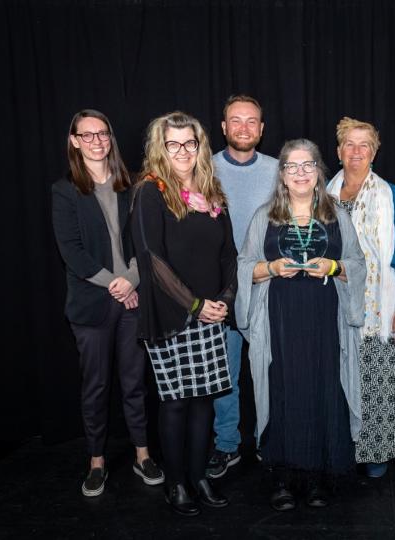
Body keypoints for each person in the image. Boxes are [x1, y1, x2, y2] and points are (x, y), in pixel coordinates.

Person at [235, 139, 366, 511]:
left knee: (326, 388)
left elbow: (357, 264)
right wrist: (271, 268)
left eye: (307, 165)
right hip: (281, 319)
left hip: (326, 320)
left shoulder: (338, 215)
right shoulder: (265, 216)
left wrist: (336, 267)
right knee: (283, 390)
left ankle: (321, 478)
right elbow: (246, 265)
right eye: (292, 166)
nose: (301, 173)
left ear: (319, 171)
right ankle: (284, 478)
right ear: (282, 175)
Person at [52, 109, 164, 498]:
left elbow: (142, 243)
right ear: (74, 141)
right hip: (93, 306)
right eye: (87, 135)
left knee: (135, 384)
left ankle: (142, 454)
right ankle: (96, 461)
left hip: (132, 301)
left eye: (102, 134)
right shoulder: (65, 191)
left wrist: (130, 281)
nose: (97, 141)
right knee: (96, 387)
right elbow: (73, 253)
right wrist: (115, 284)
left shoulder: (130, 185)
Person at [131, 111, 236, 516]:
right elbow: (151, 258)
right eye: (172, 144)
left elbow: (229, 253)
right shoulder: (150, 191)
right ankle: (176, 484)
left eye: (189, 143)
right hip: (172, 314)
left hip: (211, 313)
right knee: (175, 403)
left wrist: (224, 297)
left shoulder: (212, 191)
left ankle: (199, 476)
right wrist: (194, 305)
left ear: (199, 146)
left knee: (204, 400)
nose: (182, 151)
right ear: (161, 147)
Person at [326, 117, 395, 478]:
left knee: (375, 377)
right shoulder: (323, 195)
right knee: (337, 378)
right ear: (338, 151)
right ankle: (342, 446)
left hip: (377, 310)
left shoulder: (391, 196)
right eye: (349, 143)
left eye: (365, 145)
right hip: (331, 306)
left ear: (375, 152)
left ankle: (377, 450)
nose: (356, 151)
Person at [207, 95, 278, 479]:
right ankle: (227, 445)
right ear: (223, 126)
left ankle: (271, 440)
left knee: (270, 371)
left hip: (268, 288)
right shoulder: (205, 170)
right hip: (223, 293)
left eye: (252, 121)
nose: (244, 128)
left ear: (262, 129)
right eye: (237, 120)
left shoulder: (279, 170)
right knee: (226, 374)